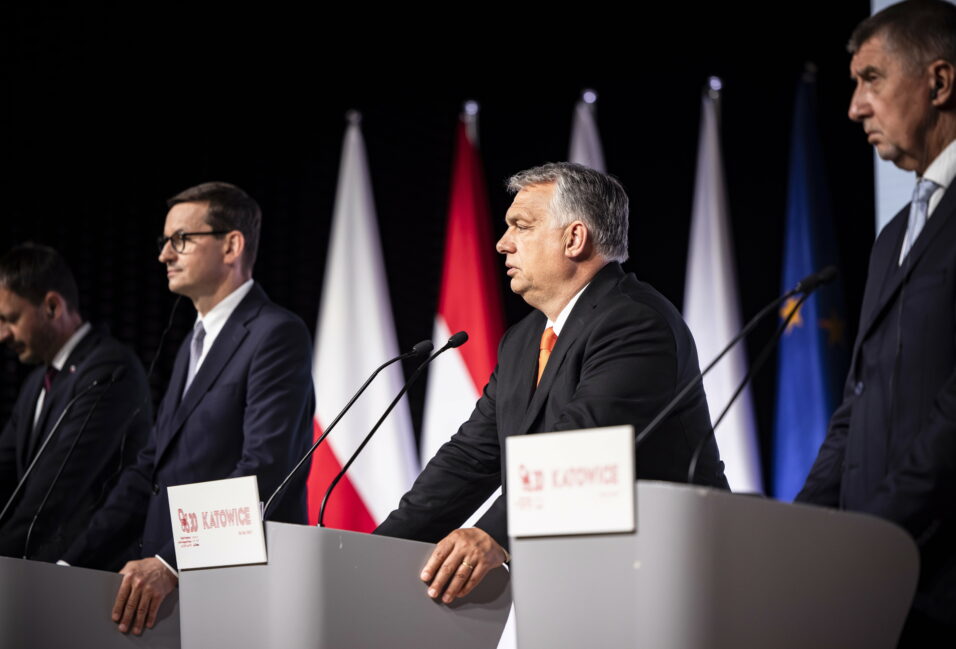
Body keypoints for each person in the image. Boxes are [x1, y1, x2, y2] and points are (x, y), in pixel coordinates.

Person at [375, 162, 728, 604]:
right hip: (573, 580)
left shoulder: (635, 322)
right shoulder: (524, 339)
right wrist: (377, 547)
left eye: (521, 226)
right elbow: (471, 457)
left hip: (667, 580)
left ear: (574, 239)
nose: (503, 243)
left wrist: (491, 534)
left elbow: (582, 445)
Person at [62, 182, 315, 635]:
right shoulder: (192, 345)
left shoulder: (276, 334)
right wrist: (71, 563)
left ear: (231, 245)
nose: (164, 255)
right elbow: (150, 471)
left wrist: (170, 563)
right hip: (171, 601)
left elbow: (266, 470)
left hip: (235, 591)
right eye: (164, 241)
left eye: (180, 239)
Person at [796, 0, 956, 643]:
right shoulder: (893, 237)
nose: (855, 107)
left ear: (939, 82)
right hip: (880, 584)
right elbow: (856, 405)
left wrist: (875, 529)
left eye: (872, 79)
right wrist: (801, 527)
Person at [0, 244, 150, 562]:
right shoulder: (35, 384)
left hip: (91, 574)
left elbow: (55, 493)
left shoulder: (109, 368)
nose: (3, 335)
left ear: (52, 306)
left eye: (10, 319)